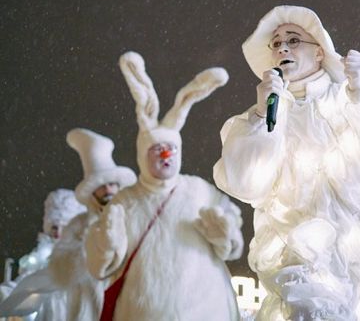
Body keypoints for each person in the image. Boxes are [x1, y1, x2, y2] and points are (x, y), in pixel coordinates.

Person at [213, 5, 360, 320]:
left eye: (293, 40)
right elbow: (244, 183)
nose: (282, 48)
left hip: (357, 252)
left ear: (320, 52)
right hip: (294, 256)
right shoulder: (266, 115)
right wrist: (260, 117)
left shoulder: (346, 99)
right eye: (276, 43)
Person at [85, 51, 242, 320]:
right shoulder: (125, 200)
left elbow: (232, 245)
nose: (165, 154)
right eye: (157, 149)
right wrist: (107, 243)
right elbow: (99, 267)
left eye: (171, 148)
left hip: (204, 311)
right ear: (142, 155)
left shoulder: (200, 191)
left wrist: (225, 234)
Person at [47, 128, 136, 321]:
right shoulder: (78, 225)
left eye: (112, 184)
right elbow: (60, 270)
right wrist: (91, 253)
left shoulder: (134, 218)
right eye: (102, 186)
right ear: (92, 191)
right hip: (89, 312)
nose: (108, 190)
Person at [0, 189, 86, 320]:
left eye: (64, 227)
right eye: (54, 227)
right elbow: (24, 286)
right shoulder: (40, 256)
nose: (58, 233)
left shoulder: (83, 258)